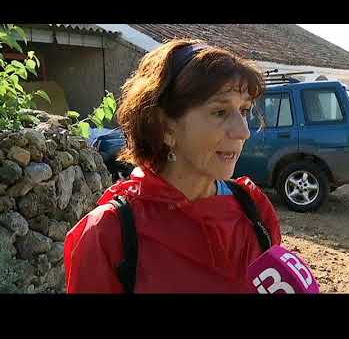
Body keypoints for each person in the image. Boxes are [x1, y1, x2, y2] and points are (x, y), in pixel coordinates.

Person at [63, 39, 282, 293]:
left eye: (244, 110)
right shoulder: (110, 233)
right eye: (220, 112)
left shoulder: (254, 210)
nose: (243, 131)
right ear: (165, 127)